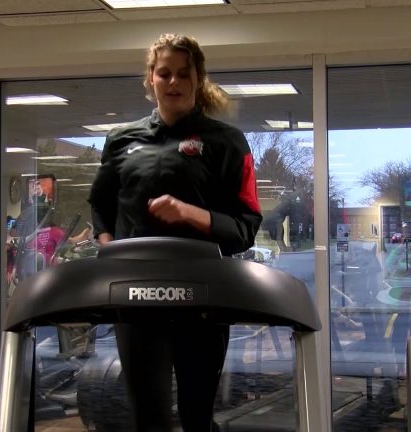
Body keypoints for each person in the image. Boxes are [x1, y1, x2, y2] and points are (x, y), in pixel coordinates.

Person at [87, 33, 262, 432]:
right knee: (148, 417)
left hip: (202, 297)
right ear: (150, 78)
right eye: (164, 73)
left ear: (198, 79)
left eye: (184, 73)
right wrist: (109, 250)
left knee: (196, 416)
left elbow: (245, 227)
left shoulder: (226, 142)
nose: (174, 82)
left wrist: (191, 214)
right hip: (135, 296)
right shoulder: (121, 140)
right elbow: (101, 206)